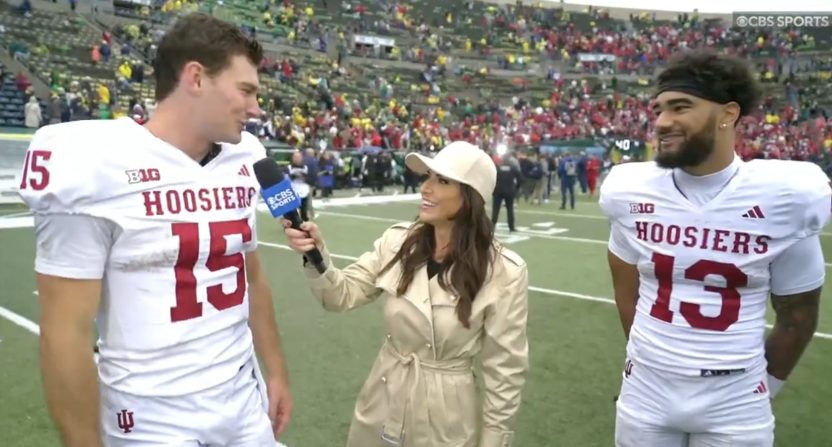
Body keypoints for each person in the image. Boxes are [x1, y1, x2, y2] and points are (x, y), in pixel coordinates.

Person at [18, 13, 292, 446]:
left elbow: (251, 275)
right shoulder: (96, 163)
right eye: (246, 90)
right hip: (148, 413)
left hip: (241, 396)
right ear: (196, 78)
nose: (257, 109)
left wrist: (275, 369)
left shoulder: (245, 157)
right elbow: (65, 330)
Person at [600, 49, 830, 447]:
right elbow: (627, 294)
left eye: (680, 107)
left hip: (734, 396)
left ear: (728, 114)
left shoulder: (786, 197)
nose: (662, 122)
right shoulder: (629, 190)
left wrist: (762, 387)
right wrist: (652, 365)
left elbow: (798, 315)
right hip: (646, 390)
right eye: (659, 109)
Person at [283, 141, 529, 447]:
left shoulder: (504, 272)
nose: (425, 188)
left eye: (441, 181)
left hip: (447, 415)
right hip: (383, 396)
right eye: (427, 177)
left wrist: (494, 441)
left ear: (470, 197)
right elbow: (340, 295)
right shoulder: (398, 242)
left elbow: (504, 372)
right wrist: (316, 255)